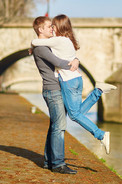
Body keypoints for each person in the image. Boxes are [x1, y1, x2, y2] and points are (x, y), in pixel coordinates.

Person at [32, 14, 117, 154]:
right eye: (50, 26)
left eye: (53, 25)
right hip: (78, 79)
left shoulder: (58, 40)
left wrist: (32, 45)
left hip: (69, 82)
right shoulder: (68, 41)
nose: (52, 28)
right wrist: (76, 60)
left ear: (58, 26)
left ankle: (101, 135)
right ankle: (98, 90)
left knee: (75, 115)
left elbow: (37, 43)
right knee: (77, 114)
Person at [32, 16, 79, 174]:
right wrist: (74, 63)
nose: (52, 28)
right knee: (59, 127)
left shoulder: (46, 46)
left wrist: (75, 58)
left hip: (55, 89)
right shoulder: (41, 49)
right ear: (41, 30)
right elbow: (59, 62)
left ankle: (48, 161)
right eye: (48, 27)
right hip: (52, 90)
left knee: (55, 126)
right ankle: (58, 164)